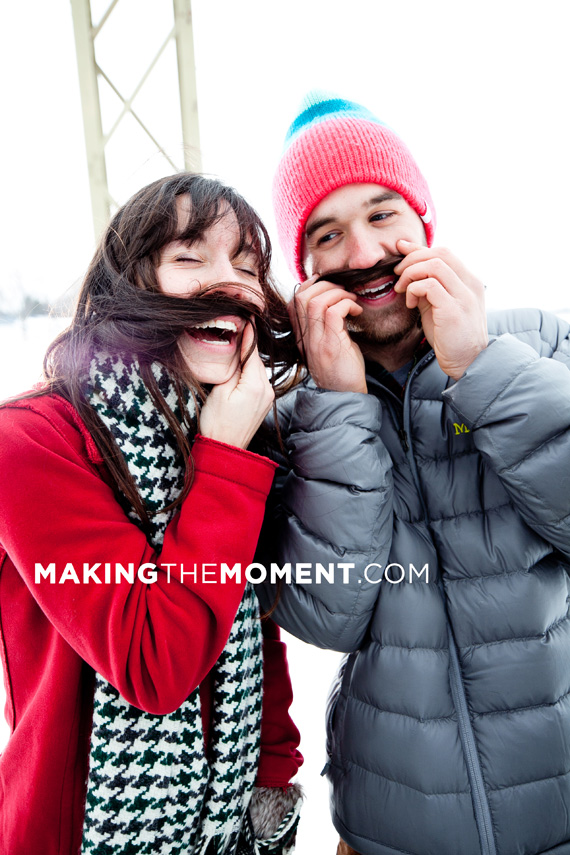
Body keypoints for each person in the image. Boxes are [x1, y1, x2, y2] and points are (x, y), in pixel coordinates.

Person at [257, 91, 570, 855]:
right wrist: (338, 409)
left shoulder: (534, 339)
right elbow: (325, 617)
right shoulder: (294, 416)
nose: (364, 253)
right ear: (305, 269)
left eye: (382, 213)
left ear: (423, 220)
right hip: (395, 831)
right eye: (328, 233)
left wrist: (481, 368)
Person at [0, 173, 304, 855]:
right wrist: (223, 460)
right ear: (130, 279)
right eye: (190, 256)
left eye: (247, 264)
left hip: (227, 835)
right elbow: (153, 664)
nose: (228, 282)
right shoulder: (32, 440)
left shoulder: (229, 420)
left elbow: (251, 619)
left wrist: (272, 782)